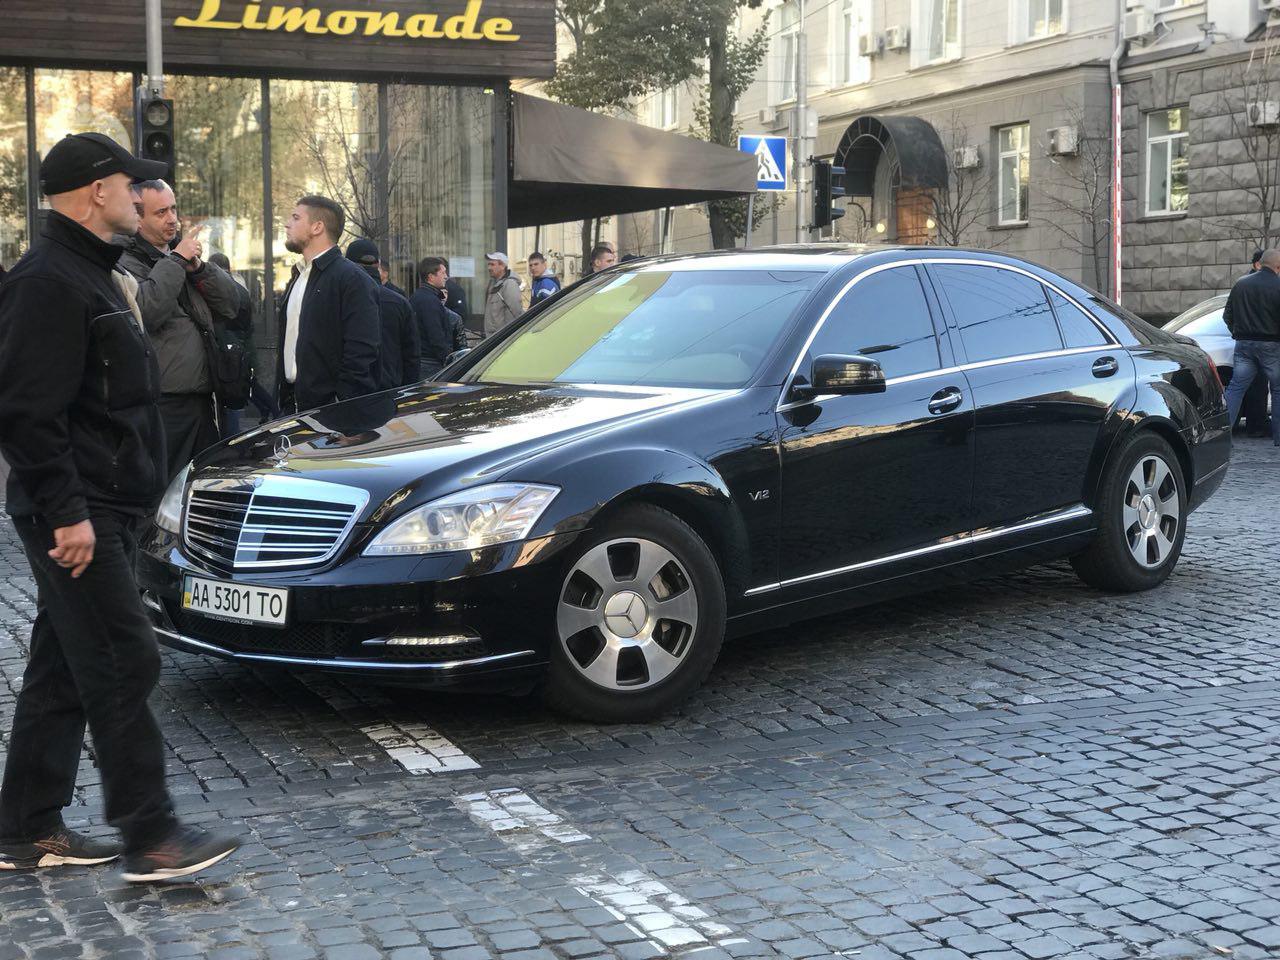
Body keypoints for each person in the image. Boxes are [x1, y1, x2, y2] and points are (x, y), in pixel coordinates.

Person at [0, 132, 239, 882]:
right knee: (122, 657)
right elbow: (26, 413)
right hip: (79, 512)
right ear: (96, 191)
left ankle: (24, 829)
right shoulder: (47, 280)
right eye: (130, 184)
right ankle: (151, 836)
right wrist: (66, 512)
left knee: (65, 666)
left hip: (105, 503)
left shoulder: (91, 271)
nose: (141, 197)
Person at [117, 180, 239, 479]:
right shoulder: (124, 261)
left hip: (203, 402)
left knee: (202, 488)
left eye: (173, 209)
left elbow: (232, 305)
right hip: (164, 406)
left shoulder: (180, 258)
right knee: (164, 490)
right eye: (161, 212)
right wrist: (177, 260)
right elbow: (147, 311)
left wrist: (200, 269)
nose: (172, 218)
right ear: (138, 218)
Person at [277, 195, 381, 411]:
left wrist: (341, 405)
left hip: (331, 413)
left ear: (317, 227)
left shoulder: (351, 279)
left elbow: (361, 352)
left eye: (296, 218)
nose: (287, 224)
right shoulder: (299, 276)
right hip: (292, 408)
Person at [1223, 248, 1280, 447]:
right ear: (1277, 266)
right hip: (1271, 345)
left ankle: (1222, 436)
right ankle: (1278, 438)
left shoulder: (1241, 284)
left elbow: (1227, 315)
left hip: (1243, 344)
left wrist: (1237, 333)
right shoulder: (1278, 285)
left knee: (1236, 388)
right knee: (1277, 389)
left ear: (1260, 263)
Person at [346, 238, 420, 389]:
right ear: (378, 264)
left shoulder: (340, 298)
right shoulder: (399, 302)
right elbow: (412, 354)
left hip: (349, 390)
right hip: (391, 388)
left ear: (347, 263)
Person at [207, 252, 257, 437]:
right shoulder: (241, 291)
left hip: (221, 352)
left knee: (222, 411)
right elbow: (248, 326)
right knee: (233, 405)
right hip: (238, 353)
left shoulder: (214, 290)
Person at [411, 256, 468, 379]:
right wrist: (448, 360)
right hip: (430, 364)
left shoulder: (421, 296)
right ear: (431, 277)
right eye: (443, 273)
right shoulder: (429, 301)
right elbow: (435, 336)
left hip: (424, 361)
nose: (446, 276)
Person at [1238, 250, 1270, 437]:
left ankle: (1257, 423)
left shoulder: (1244, 284)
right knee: (1258, 385)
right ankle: (1257, 425)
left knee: (1254, 385)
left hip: (1247, 341)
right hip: (1259, 341)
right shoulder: (1257, 285)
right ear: (1258, 265)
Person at [483, 252, 523, 338]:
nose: (489, 268)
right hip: (492, 337)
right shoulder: (493, 283)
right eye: (488, 264)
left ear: (502, 266)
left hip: (502, 338)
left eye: (492, 264)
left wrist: (506, 337)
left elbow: (514, 314)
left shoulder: (509, 284)